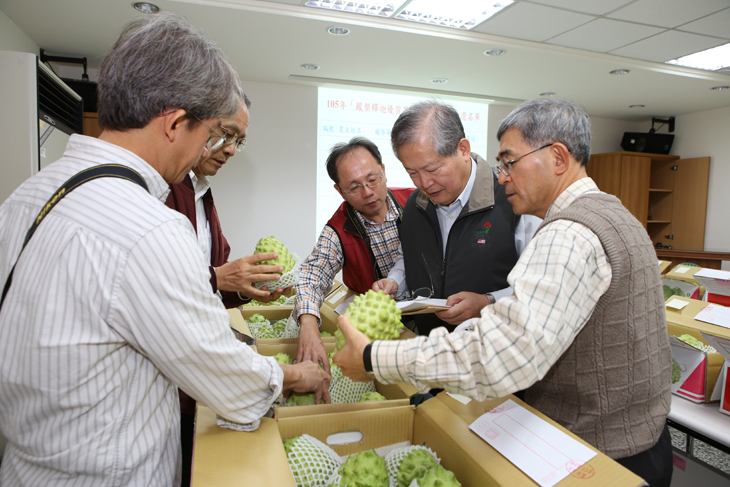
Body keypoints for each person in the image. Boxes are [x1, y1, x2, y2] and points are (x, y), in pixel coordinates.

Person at [0, 13, 329, 487]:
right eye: (210, 134)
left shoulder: (28, 195)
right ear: (176, 122)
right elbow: (229, 386)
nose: (207, 151)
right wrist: (293, 377)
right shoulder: (148, 227)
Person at [335, 98, 673, 486]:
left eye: (510, 162)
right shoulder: (613, 213)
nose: (503, 176)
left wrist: (372, 355)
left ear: (558, 158)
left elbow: (502, 353)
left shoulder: (568, 233)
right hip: (633, 440)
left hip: (597, 453)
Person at [374, 101, 540, 335]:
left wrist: (487, 302)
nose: (424, 183)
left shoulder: (514, 200)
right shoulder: (415, 204)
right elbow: (410, 255)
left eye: (432, 169)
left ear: (462, 149)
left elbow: (538, 287)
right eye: (412, 173)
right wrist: (395, 281)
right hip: (429, 346)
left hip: (492, 349)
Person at [294, 137, 414, 371]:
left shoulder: (417, 202)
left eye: (373, 179)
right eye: (355, 187)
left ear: (384, 171)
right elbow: (312, 275)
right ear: (340, 191)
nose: (368, 192)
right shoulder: (337, 230)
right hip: (378, 332)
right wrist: (308, 322)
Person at [165, 93, 290, 309]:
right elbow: (156, 278)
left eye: (238, 141)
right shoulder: (164, 188)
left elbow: (215, 278)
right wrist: (219, 277)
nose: (231, 150)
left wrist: (243, 288)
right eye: (226, 134)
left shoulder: (202, 191)